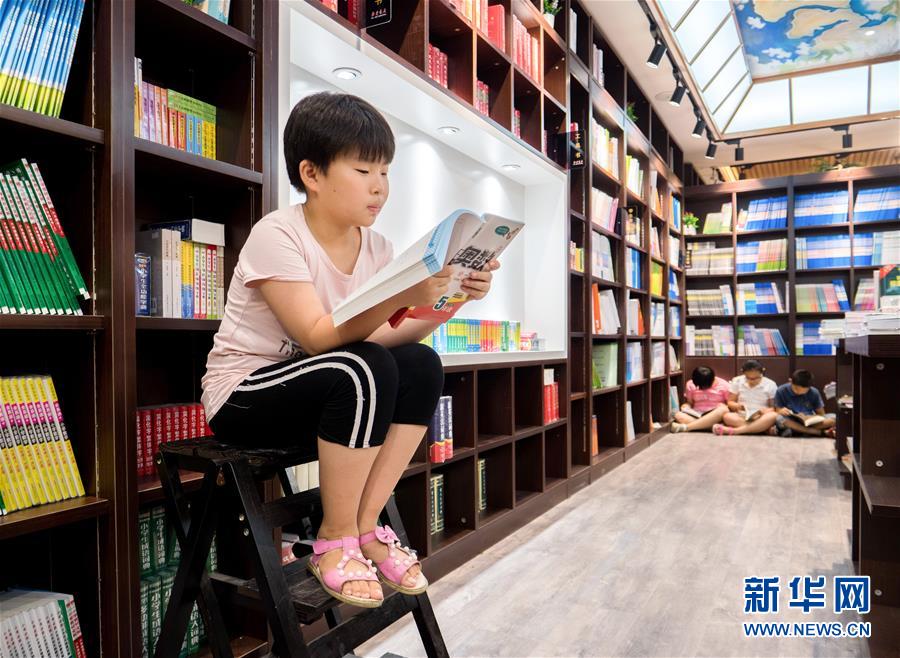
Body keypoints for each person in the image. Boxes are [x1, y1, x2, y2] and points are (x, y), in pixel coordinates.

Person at [200, 92, 500, 608]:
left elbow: (384, 339)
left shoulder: (378, 248)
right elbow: (319, 338)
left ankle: (364, 526)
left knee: (422, 365)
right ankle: (333, 539)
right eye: (363, 170)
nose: (379, 186)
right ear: (311, 174)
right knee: (360, 367)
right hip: (244, 396)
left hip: (325, 393)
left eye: (385, 171)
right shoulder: (278, 234)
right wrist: (402, 295)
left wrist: (451, 299)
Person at [713, 360, 779, 436]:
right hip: (743, 415)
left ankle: (735, 431)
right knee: (727, 416)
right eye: (748, 378)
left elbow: (773, 408)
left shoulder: (770, 384)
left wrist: (763, 411)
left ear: (762, 372)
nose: (752, 381)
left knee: (773, 415)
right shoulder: (737, 381)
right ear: (743, 373)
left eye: (756, 378)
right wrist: (737, 406)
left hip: (761, 416)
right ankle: (762, 429)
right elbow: (730, 402)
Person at [774, 369, 836, 438]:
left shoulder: (814, 392)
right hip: (792, 420)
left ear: (809, 387)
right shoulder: (781, 390)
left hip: (809, 421)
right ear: (790, 381)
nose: (799, 392)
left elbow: (821, 414)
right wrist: (781, 411)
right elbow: (778, 410)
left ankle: (798, 431)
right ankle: (819, 432)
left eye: (803, 391)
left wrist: (810, 417)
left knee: (834, 417)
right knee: (780, 419)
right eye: (796, 389)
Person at [670, 366, 730, 433]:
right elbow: (690, 403)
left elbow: (730, 404)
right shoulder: (690, 384)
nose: (703, 388)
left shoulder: (724, 385)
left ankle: (687, 427)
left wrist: (724, 405)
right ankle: (712, 427)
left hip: (715, 415)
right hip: (697, 414)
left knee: (724, 409)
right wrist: (686, 406)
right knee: (678, 415)